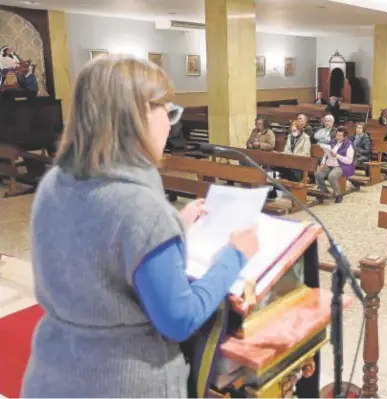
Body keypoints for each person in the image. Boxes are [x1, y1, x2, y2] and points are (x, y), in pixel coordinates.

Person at [21, 55, 259, 397]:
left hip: (54, 371)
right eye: (168, 110)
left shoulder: (55, 182)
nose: (171, 123)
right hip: (122, 382)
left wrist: (173, 226)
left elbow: (93, 243)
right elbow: (180, 320)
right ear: (140, 114)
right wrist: (234, 256)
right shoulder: (143, 211)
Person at [314, 127, 354, 203]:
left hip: (341, 166)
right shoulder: (332, 142)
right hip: (329, 164)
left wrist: (337, 156)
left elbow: (349, 160)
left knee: (332, 176)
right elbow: (326, 154)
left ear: (344, 137)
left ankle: (338, 195)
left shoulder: (349, 145)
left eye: (340, 136)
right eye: (337, 135)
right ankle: (324, 191)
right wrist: (322, 163)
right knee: (317, 174)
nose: (337, 137)